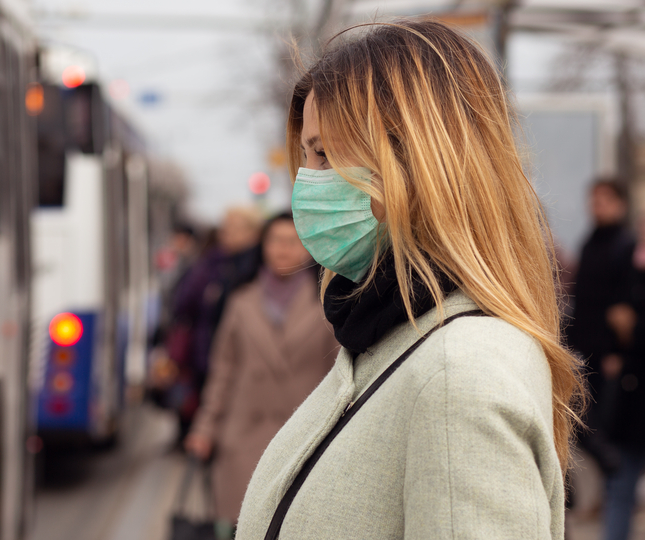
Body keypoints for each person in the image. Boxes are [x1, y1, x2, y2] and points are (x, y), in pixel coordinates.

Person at [235, 19, 585, 540]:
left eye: (326, 153)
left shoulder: (457, 376)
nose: (307, 179)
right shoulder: (386, 338)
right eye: (310, 153)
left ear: (415, 161)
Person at [183, 212, 338, 535]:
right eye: (275, 240)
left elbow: (340, 374)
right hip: (242, 435)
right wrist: (205, 428)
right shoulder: (241, 302)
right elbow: (222, 371)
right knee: (242, 526)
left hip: (303, 437)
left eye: (293, 241)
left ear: (308, 247)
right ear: (263, 246)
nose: (283, 249)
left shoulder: (327, 303)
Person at [602, 194, 645, 540]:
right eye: (644, 217)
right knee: (622, 480)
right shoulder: (630, 259)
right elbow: (613, 313)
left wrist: (631, 327)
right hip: (632, 387)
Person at [166, 207, 263, 439]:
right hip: (208, 355)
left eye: (234, 227)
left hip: (245, 360)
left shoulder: (254, 268)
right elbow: (183, 303)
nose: (226, 233)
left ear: (253, 233)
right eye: (224, 227)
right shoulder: (212, 263)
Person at [566, 178, 636, 475]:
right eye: (594, 200)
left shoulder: (625, 245)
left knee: (602, 427)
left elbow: (624, 308)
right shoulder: (590, 242)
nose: (597, 206)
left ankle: (618, 481)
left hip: (607, 355)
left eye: (605, 200)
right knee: (581, 420)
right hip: (583, 349)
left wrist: (617, 351)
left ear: (621, 205)